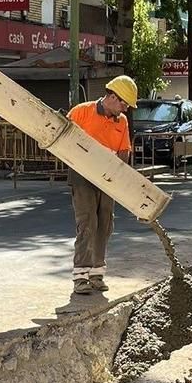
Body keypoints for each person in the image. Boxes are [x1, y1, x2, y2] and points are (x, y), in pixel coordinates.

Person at [67, 75, 137, 295]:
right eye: (124, 103)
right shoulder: (81, 112)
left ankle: (96, 273)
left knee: (105, 224)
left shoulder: (122, 122)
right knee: (87, 223)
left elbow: (124, 151)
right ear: (113, 97)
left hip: (108, 178)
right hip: (82, 176)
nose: (125, 108)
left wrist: (120, 177)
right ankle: (81, 275)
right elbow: (63, 139)